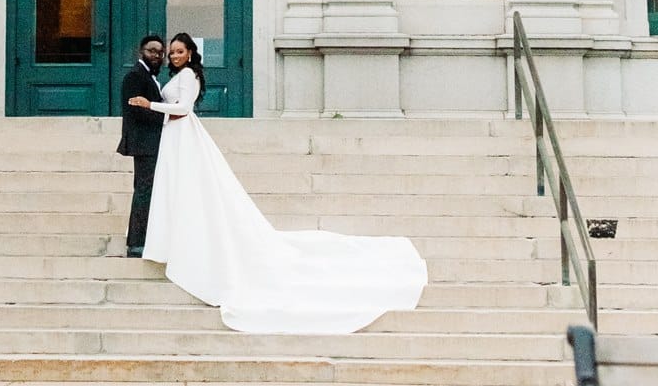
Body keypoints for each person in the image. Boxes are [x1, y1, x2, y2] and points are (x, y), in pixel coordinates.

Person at [129, 32, 428, 334]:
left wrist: (149, 105)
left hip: (184, 135)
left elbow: (183, 109)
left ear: (191, 54)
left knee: (193, 190)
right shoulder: (178, 75)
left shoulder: (190, 76)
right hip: (174, 138)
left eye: (179, 52)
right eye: (173, 52)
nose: (174, 56)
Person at [116, 35, 166, 257]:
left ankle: (143, 239)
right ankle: (136, 243)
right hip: (145, 144)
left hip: (152, 143)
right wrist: (167, 117)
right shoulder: (135, 76)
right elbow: (136, 110)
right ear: (141, 52)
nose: (156, 55)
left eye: (159, 52)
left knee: (148, 191)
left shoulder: (149, 76)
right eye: (151, 51)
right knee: (144, 192)